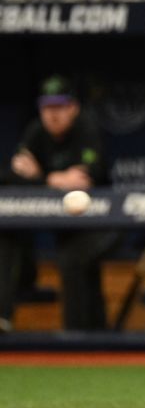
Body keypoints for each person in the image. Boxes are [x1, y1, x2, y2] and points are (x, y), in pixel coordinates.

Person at [0, 75, 111, 332]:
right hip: (54, 221)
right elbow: (13, 174)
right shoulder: (36, 130)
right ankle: (4, 315)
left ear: (73, 107)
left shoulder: (87, 128)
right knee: (6, 235)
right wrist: (52, 179)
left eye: (60, 106)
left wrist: (39, 177)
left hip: (100, 223)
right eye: (47, 107)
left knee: (72, 258)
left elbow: (86, 177)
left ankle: (76, 338)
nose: (53, 114)